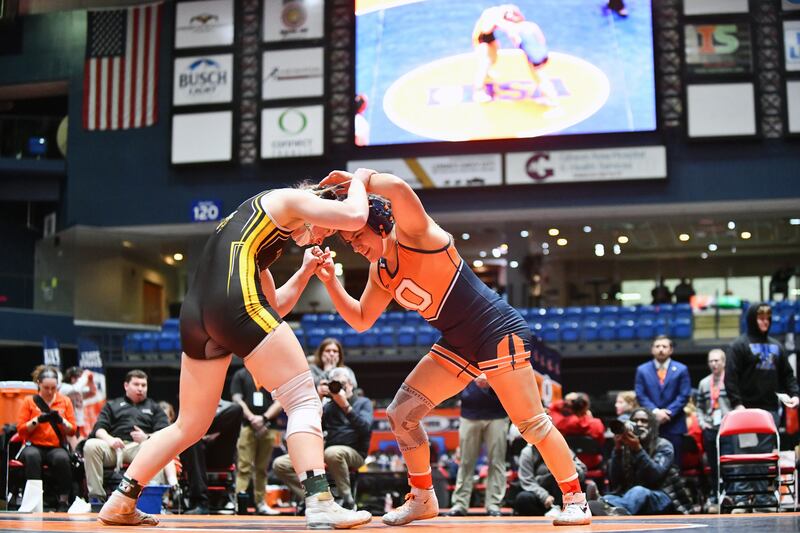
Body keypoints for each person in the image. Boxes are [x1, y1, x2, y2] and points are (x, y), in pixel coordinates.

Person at [314, 168, 591, 526]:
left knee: (531, 423)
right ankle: (423, 499)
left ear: (379, 224)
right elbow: (363, 318)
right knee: (401, 414)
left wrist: (357, 178)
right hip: (460, 342)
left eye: (355, 235)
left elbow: (397, 187)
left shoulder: (419, 235)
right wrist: (332, 282)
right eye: (349, 242)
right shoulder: (380, 271)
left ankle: (576, 500)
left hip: (496, 330)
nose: (352, 245)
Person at [97, 180, 373, 529]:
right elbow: (354, 214)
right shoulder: (289, 198)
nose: (323, 238)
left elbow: (273, 308)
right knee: (303, 400)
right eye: (328, 230)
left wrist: (304, 273)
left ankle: (120, 499)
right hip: (231, 303)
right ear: (318, 203)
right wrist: (361, 178)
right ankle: (320, 502)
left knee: (190, 425)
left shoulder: (255, 233)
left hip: (198, 314)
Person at [724, 302, 799, 511]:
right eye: (760, 318)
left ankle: (763, 499)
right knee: (744, 457)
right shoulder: (738, 345)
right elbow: (730, 378)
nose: (765, 321)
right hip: (745, 412)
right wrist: (737, 404)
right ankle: (742, 499)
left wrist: (795, 395)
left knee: (766, 457)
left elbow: (787, 376)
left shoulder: (777, 346)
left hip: (769, 412)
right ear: (751, 319)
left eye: (768, 318)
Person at [273, 366, 373, 510]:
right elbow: (312, 427)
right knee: (280, 464)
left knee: (332, 452)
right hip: (327, 452)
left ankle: (347, 500)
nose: (339, 389)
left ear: (351, 384)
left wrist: (345, 406)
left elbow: (365, 428)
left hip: (354, 453)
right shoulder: (329, 406)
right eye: (335, 385)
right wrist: (318, 397)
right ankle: (319, 498)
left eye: (342, 384)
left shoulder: (363, 402)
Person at [84, 370, 175, 507]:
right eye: (136, 384)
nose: (140, 388)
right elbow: (99, 428)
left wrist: (146, 437)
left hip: (140, 448)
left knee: (156, 447)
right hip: (115, 448)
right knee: (91, 445)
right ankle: (96, 498)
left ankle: (154, 500)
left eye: (144, 385)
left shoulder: (154, 408)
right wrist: (110, 440)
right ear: (126, 386)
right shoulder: (112, 405)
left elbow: (165, 432)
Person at [598, 407, 694, 515]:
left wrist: (638, 449)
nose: (639, 424)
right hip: (633, 498)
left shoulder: (664, 445)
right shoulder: (626, 446)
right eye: (635, 421)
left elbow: (654, 476)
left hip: (663, 496)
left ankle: (609, 507)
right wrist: (617, 450)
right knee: (609, 496)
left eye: (644, 421)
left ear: (652, 425)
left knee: (638, 491)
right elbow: (615, 482)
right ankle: (612, 508)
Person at [15, 365, 77, 512]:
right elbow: (21, 430)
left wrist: (62, 421)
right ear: (39, 384)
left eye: (53, 388)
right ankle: (34, 500)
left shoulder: (65, 401)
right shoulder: (29, 401)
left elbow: (72, 430)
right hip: (34, 445)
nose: (49, 392)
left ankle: (63, 500)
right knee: (32, 456)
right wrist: (37, 420)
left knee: (62, 458)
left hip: (55, 446)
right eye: (46, 388)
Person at [447, 374, 510, 517]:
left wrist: (492, 381)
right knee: (465, 462)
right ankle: (459, 504)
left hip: (498, 414)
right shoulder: (465, 353)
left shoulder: (501, 353)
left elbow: (510, 379)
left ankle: (494, 504)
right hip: (469, 414)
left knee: (497, 461)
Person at [230, 365, 281, 516]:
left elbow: (280, 401)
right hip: (247, 426)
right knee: (244, 467)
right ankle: (240, 503)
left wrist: (264, 418)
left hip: (269, 427)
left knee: (262, 468)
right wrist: (252, 418)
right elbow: (236, 399)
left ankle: (260, 503)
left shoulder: (272, 374)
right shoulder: (240, 374)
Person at [634, 335, 691, 466]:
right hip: (650, 425)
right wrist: (655, 412)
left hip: (674, 423)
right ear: (652, 350)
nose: (661, 349)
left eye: (664, 346)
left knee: (675, 463)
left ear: (671, 350)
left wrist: (668, 413)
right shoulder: (642, 370)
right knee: (651, 462)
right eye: (657, 346)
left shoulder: (681, 369)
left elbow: (684, 395)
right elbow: (640, 395)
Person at [181, 399, 244, 514]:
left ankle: (201, 428)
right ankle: (200, 503)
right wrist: (199, 435)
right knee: (191, 438)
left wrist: (206, 430)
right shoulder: (191, 405)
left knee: (237, 409)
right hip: (196, 450)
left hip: (219, 452)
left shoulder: (225, 406)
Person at [696, 348, 732, 504]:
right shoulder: (704, 383)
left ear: (723, 362)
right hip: (710, 428)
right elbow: (699, 406)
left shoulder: (731, 380)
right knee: (712, 463)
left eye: (717, 360)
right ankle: (716, 493)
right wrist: (702, 423)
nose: (714, 364)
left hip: (728, 428)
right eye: (711, 361)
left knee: (728, 462)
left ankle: (730, 493)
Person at [513, 443, 586, 517]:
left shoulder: (562, 447)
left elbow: (582, 473)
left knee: (559, 475)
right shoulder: (527, 452)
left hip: (565, 494)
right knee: (523, 498)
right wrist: (544, 496)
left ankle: (564, 508)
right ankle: (546, 517)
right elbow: (527, 481)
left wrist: (564, 460)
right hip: (541, 494)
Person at [471, 4, 524, 103]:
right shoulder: (495, 16)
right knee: (484, 63)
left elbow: (516, 14)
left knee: (494, 57)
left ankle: (488, 72)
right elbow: (492, 28)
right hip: (481, 38)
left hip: (489, 36)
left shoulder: (503, 10)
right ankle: (478, 92)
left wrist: (518, 18)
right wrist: (514, 32)